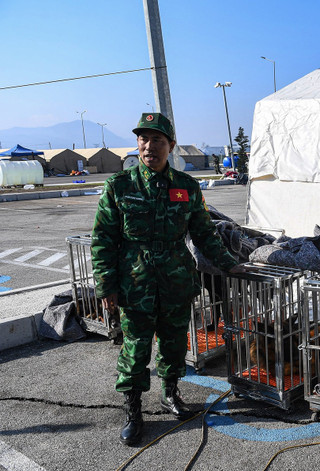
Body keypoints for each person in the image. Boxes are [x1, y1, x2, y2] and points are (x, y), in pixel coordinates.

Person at [91, 113, 247, 446]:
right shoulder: (119, 186)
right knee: (135, 350)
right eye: (144, 139)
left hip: (176, 280)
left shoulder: (187, 187)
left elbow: (204, 234)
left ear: (170, 146)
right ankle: (134, 411)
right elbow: (103, 238)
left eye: (157, 140)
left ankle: (170, 394)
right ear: (137, 144)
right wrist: (106, 285)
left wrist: (228, 264)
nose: (150, 147)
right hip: (136, 283)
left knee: (175, 344)